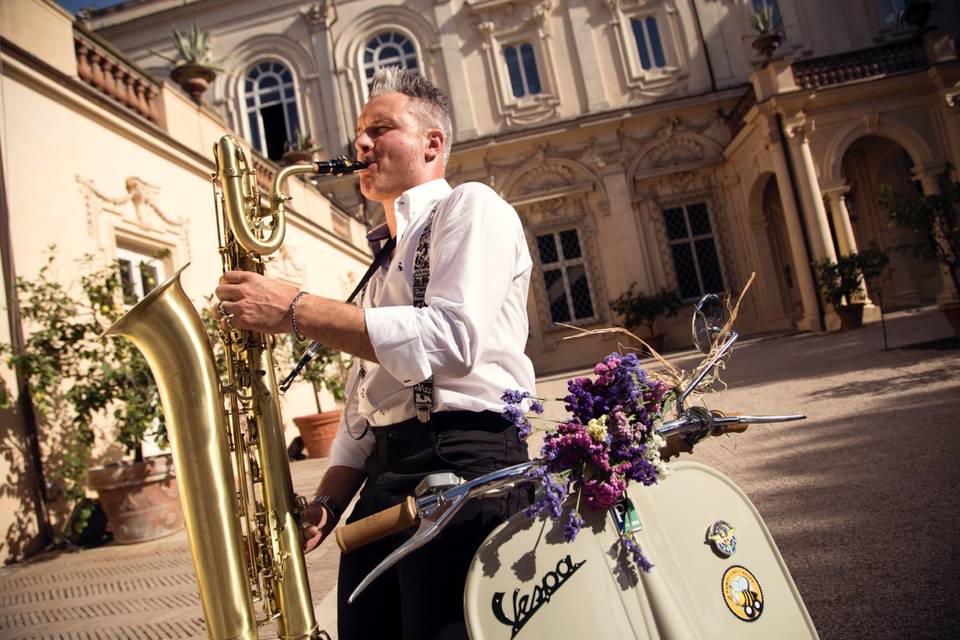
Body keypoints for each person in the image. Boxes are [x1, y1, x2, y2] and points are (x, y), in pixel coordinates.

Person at [213, 67, 535, 640]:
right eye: (358, 132)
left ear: (432, 144)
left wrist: (296, 308)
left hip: (464, 462)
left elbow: (451, 340)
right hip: (387, 480)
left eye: (379, 129)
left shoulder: (472, 206)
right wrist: (330, 503)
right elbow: (366, 411)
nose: (359, 144)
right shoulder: (381, 263)